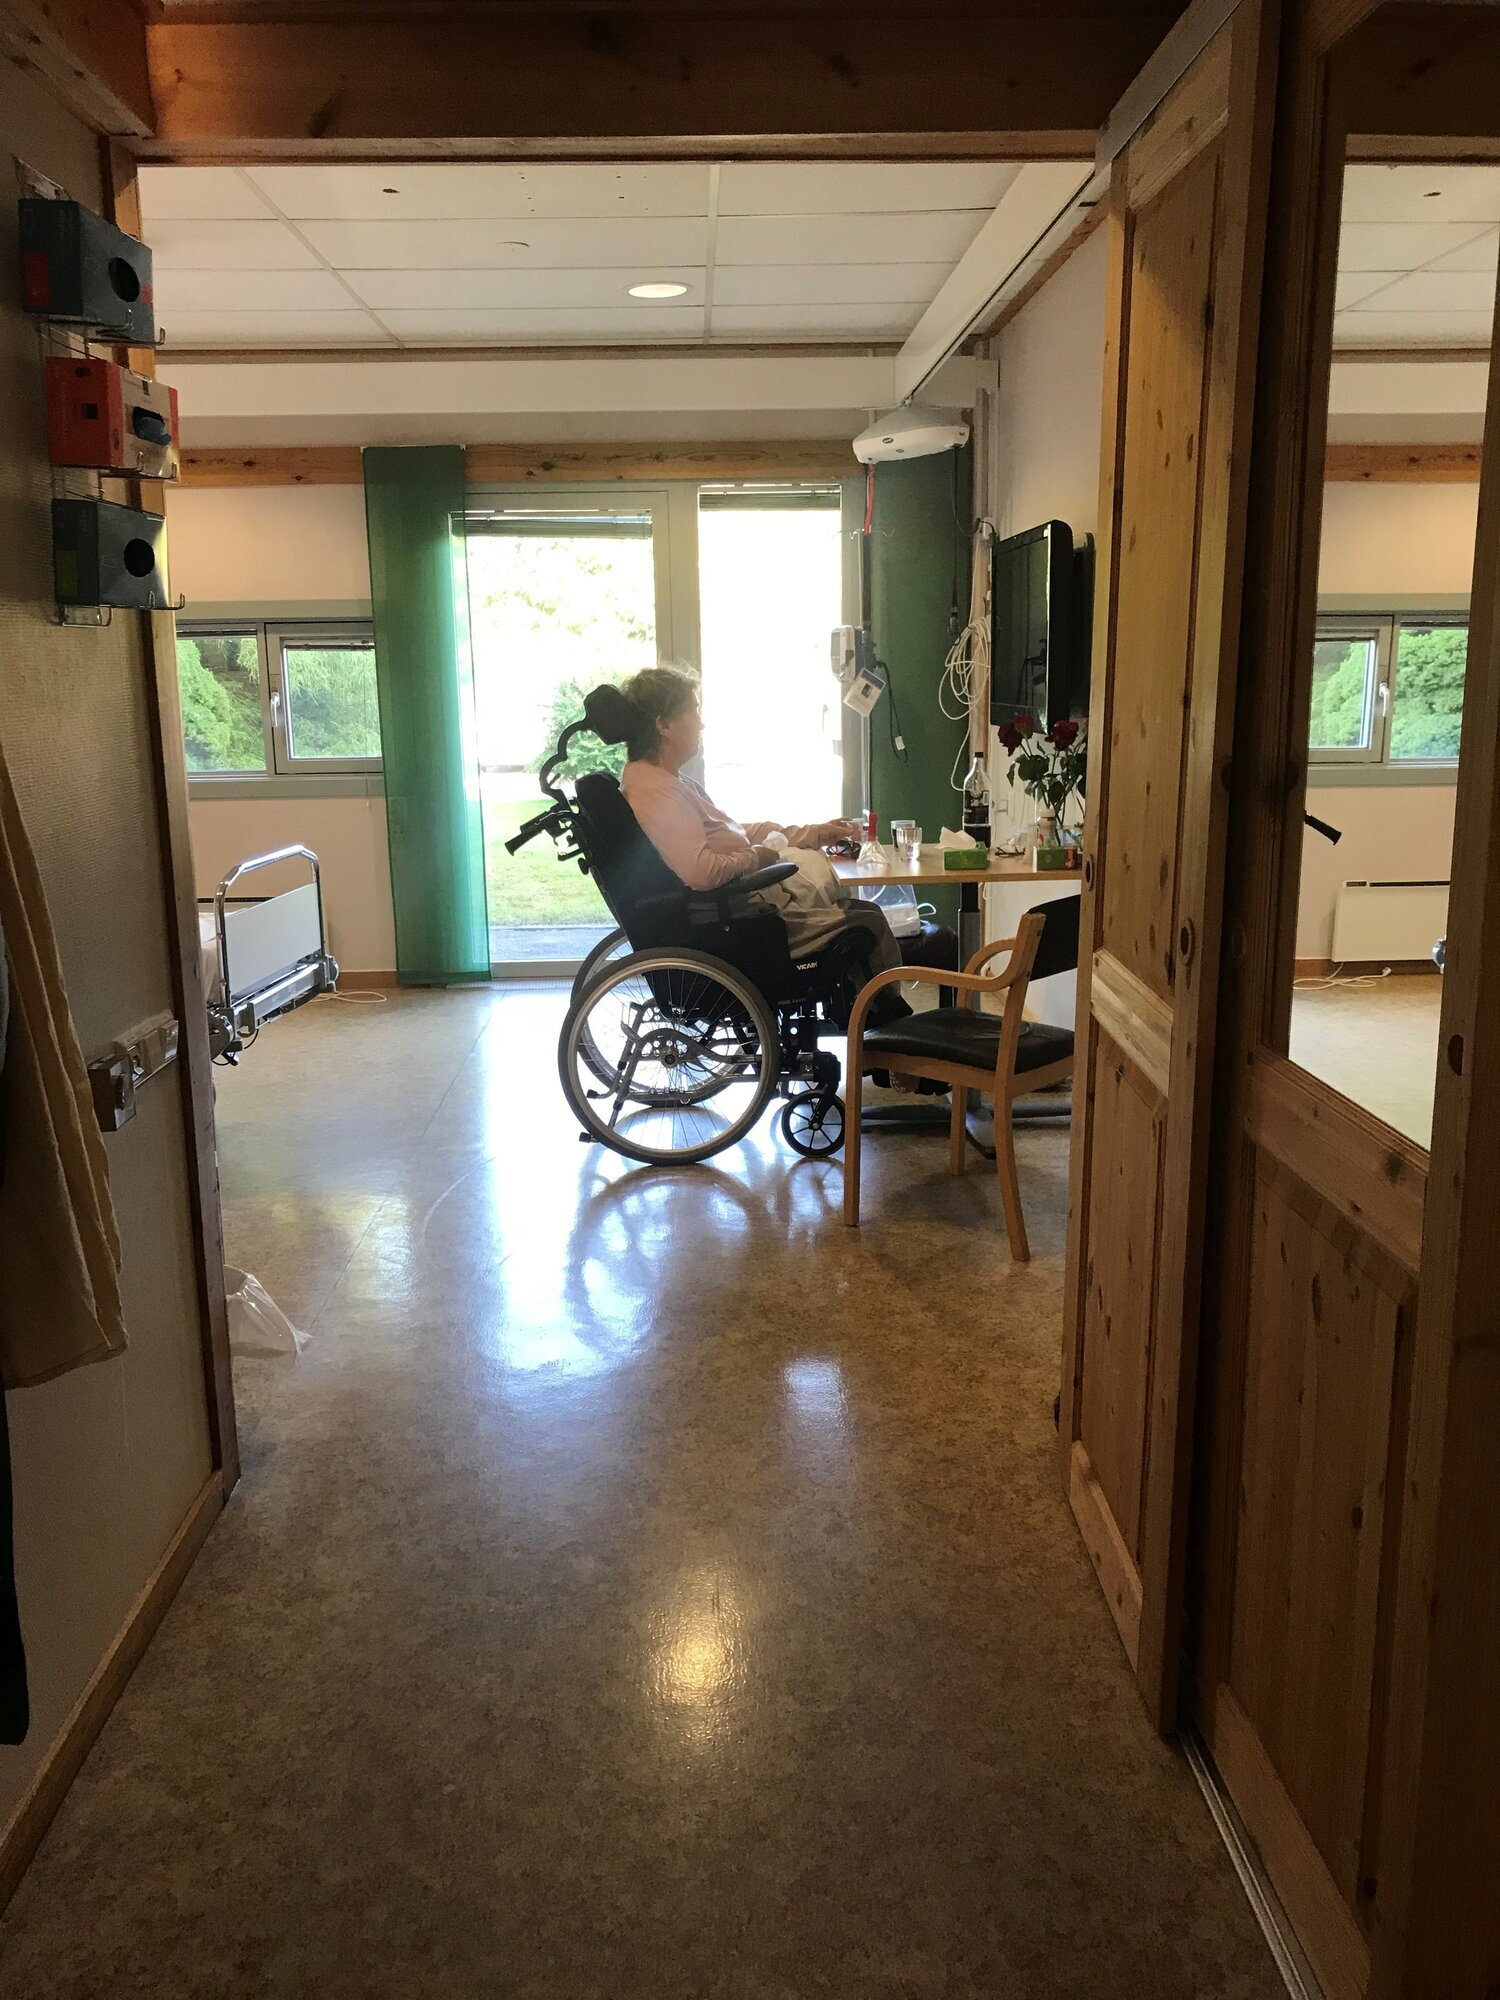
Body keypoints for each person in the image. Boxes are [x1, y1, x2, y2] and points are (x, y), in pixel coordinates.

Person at [617, 664, 906, 980]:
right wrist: (757, 857)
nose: (701, 723)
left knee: (862, 910)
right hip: (735, 923)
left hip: (738, 910)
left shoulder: (667, 780)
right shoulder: (657, 790)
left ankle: (867, 1007)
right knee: (869, 925)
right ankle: (882, 1010)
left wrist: (813, 833)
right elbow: (703, 873)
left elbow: (730, 833)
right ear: (664, 725)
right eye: (693, 712)